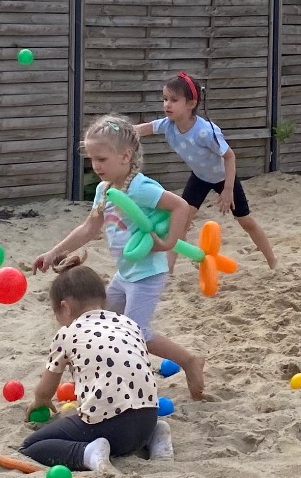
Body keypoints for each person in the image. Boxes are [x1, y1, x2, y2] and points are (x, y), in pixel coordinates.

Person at [33, 115, 205, 397]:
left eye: (101, 159)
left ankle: (189, 361)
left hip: (148, 273)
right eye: (92, 159)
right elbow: (90, 226)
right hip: (125, 274)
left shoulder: (140, 187)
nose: (95, 166)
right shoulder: (104, 190)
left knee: (137, 335)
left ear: (125, 156)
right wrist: (55, 252)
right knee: (104, 323)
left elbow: (181, 207)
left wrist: (169, 243)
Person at [20, 263, 169, 472]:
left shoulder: (67, 334)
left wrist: (40, 401)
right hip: (147, 419)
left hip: (109, 428)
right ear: (104, 299)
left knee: (31, 446)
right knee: (130, 415)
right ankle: (155, 436)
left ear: (65, 307)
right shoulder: (129, 324)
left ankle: (87, 453)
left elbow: (46, 389)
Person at [137, 72, 276, 269]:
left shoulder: (206, 131)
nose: (167, 104)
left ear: (191, 104)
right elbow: (140, 129)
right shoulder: (168, 125)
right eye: (165, 99)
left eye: (174, 100)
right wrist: (116, 129)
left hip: (223, 178)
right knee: (181, 222)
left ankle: (272, 260)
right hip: (200, 178)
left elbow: (229, 157)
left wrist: (228, 190)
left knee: (245, 221)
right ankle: (168, 270)